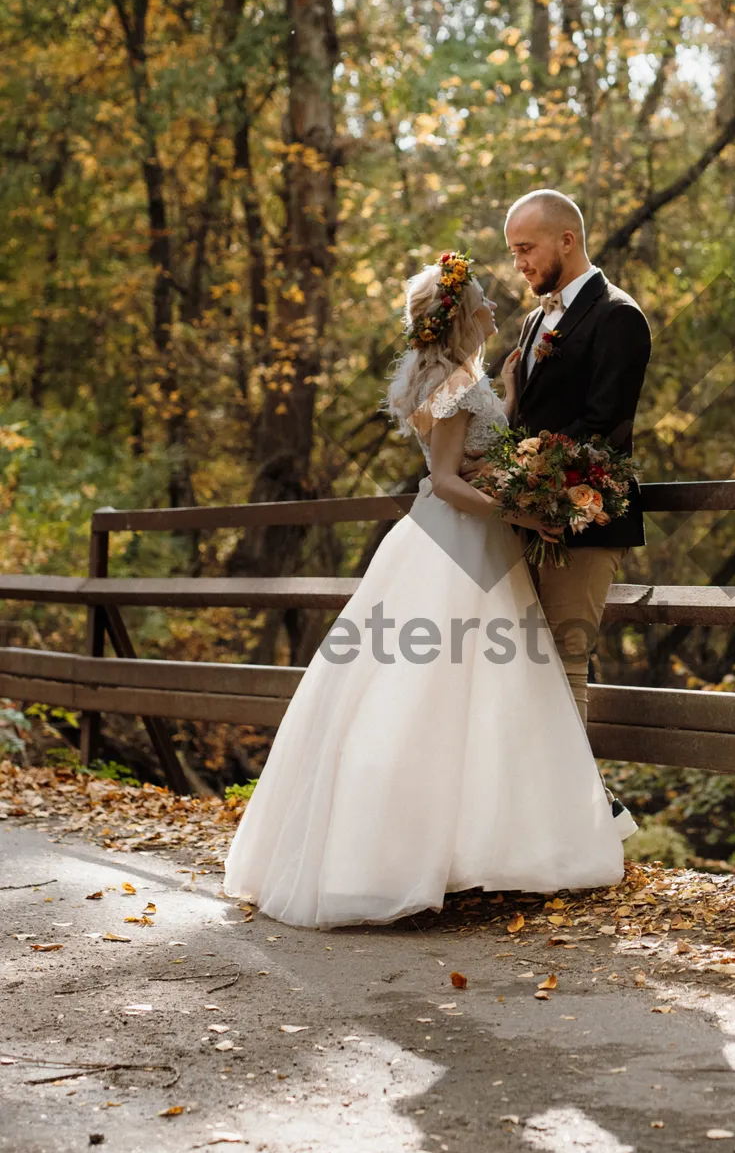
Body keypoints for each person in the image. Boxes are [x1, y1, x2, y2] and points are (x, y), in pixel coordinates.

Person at [222, 250, 632, 930]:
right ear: (460, 316)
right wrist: (523, 514)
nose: (494, 310)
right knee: (436, 689)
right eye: (482, 303)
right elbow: (446, 479)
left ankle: (474, 847)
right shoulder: (449, 388)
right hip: (457, 542)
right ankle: (404, 853)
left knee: (478, 687)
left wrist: (507, 397)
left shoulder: (458, 381)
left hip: (461, 540)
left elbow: (472, 442)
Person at [500, 189, 653, 729]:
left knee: (564, 667)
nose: (519, 264)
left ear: (567, 239)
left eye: (526, 249)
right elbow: (527, 421)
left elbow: (604, 425)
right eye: (514, 253)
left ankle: (576, 812)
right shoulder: (533, 322)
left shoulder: (618, 316)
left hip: (585, 518)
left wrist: (524, 479)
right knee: (518, 670)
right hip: (528, 520)